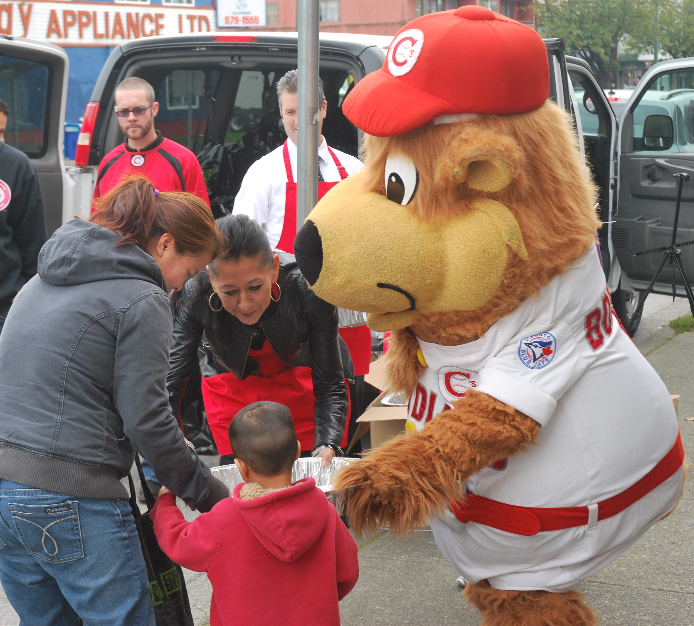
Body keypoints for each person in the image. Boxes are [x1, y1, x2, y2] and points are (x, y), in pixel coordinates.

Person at [0, 177, 229, 625]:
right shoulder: (142, 297)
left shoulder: (41, 280)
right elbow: (148, 419)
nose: (181, 288)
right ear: (165, 245)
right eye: (189, 272)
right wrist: (211, 496)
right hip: (72, 496)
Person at [233, 69, 372, 426]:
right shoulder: (263, 174)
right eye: (289, 112)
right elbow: (238, 247)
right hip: (290, 318)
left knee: (348, 415)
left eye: (305, 111)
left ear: (324, 109)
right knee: (296, 419)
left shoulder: (354, 171)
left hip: (346, 312)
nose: (297, 121)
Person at [151, 401, 359, 626]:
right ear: (298, 451)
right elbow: (347, 573)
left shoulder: (224, 518)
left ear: (241, 468)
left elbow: (178, 541)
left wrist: (165, 503)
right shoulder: (325, 512)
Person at [168, 214, 352, 467]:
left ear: (274, 268)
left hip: (304, 386)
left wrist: (328, 443)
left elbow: (330, 382)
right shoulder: (194, 292)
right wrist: (172, 441)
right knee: (241, 494)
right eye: (229, 292)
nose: (244, 304)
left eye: (255, 287)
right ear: (211, 278)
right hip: (231, 387)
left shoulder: (307, 288)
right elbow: (171, 381)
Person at [93, 77, 209, 206]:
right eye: (124, 111)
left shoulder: (184, 161)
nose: (131, 118)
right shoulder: (107, 164)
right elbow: (96, 222)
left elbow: (201, 221)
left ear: (154, 109)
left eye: (139, 110)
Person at [0, 98, 47, 335]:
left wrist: (25, 300)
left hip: (4, 308)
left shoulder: (17, 165)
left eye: (1, 132)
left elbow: (33, 242)